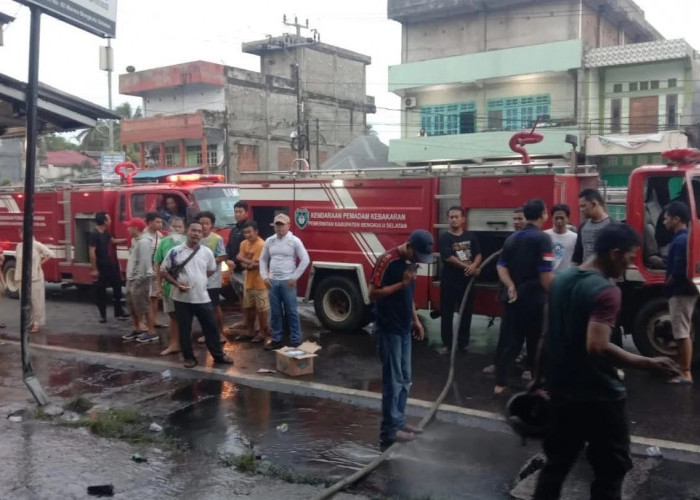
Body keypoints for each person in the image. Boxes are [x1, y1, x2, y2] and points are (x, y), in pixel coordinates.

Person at [533, 223, 680, 500]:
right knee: (610, 473)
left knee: (556, 465)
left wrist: (539, 380)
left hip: (561, 392)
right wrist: (648, 363)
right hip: (599, 397)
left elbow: (544, 336)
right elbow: (597, 346)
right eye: (628, 258)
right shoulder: (606, 291)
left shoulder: (561, 280)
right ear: (614, 253)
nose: (628, 265)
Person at [370, 229, 432, 449]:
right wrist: (402, 284)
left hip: (404, 328)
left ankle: (400, 422)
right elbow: (372, 294)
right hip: (388, 329)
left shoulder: (411, 264)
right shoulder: (387, 260)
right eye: (417, 257)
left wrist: (415, 320)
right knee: (393, 381)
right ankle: (389, 432)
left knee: (405, 379)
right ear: (409, 246)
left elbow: (409, 296)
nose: (418, 262)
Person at [494, 199, 553, 395]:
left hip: (513, 299)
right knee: (537, 343)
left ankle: (500, 384)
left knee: (511, 343)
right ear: (544, 214)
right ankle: (538, 385)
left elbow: (501, 266)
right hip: (535, 301)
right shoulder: (543, 239)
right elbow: (545, 277)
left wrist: (510, 285)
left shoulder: (512, 238)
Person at [160, 221, 234, 368]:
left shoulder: (206, 252)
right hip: (181, 298)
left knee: (211, 328)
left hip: (202, 297)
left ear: (201, 235)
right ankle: (189, 358)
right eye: (193, 230)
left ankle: (218, 356)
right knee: (185, 329)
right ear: (187, 232)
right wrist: (177, 284)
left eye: (199, 232)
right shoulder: (175, 251)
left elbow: (211, 269)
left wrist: (198, 278)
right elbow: (163, 270)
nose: (196, 234)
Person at [260, 213, 310, 350]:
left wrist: (295, 277)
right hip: (273, 281)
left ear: (288, 225)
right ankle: (277, 339)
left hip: (288, 281)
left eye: (282, 225)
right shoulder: (270, 241)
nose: (280, 228)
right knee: (275, 312)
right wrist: (264, 276)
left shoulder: (294, 241)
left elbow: (305, 259)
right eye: (277, 225)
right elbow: (263, 259)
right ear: (274, 226)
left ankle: (295, 339)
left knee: (291, 311)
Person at [438, 206, 482, 354]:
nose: (454, 219)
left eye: (457, 217)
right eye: (451, 217)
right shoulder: (445, 237)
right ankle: (447, 345)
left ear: (463, 219)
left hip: (467, 282)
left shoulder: (471, 235)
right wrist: (469, 268)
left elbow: (478, 254)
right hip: (450, 281)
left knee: (466, 313)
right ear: (447, 219)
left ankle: (463, 344)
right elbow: (449, 258)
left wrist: (474, 265)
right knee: (447, 313)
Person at [663, 201, 697, 384]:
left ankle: (685, 373)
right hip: (686, 291)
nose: (664, 222)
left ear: (676, 219)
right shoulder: (685, 238)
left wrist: (667, 285)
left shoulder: (680, 240)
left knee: (681, 332)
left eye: (667, 218)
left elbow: (677, 271)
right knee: (684, 331)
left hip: (680, 292)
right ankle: (683, 367)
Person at [121, 218, 159, 343]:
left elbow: (144, 263)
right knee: (132, 305)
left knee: (144, 305)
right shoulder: (135, 240)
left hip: (140, 278)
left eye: (129, 227)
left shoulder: (143, 242)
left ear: (136, 228)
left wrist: (138, 280)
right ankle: (137, 328)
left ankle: (151, 332)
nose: (127, 229)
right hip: (132, 277)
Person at [154, 216, 187, 355]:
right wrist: (159, 287)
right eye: (174, 226)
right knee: (173, 316)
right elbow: (157, 264)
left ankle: (186, 345)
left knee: (186, 317)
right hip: (168, 286)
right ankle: (174, 344)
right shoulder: (163, 243)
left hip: (186, 286)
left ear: (184, 228)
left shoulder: (188, 241)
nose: (177, 229)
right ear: (169, 228)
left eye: (180, 226)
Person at [89, 212, 128, 323]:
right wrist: (94, 269)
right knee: (101, 291)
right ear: (104, 221)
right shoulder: (94, 234)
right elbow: (92, 253)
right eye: (109, 218)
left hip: (109, 263)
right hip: (101, 265)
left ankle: (119, 311)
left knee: (117, 286)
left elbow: (113, 241)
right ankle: (103, 315)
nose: (110, 220)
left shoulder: (106, 232)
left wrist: (126, 240)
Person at [197, 211, 228, 344]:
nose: (204, 226)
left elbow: (222, 256)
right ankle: (207, 333)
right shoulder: (195, 238)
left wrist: (207, 263)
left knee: (215, 307)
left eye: (207, 223)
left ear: (211, 225)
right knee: (202, 308)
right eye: (201, 223)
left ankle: (220, 333)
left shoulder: (217, 239)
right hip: (198, 279)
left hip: (212, 280)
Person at [15, 228, 53, 333]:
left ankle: (37, 323)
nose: (21, 235)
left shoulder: (36, 245)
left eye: (22, 233)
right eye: (20, 234)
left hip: (35, 277)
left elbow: (50, 254)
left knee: (36, 301)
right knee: (26, 301)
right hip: (22, 278)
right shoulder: (19, 246)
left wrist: (39, 264)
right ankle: (30, 321)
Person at [237, 221, 269, 343]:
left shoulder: (262, 244)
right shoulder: (243, 244)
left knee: (262, 309)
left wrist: (243, 259)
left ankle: (262, 332)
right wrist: (247, 262)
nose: (247, 235)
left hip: (260, 282)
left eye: (250, 232)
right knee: (249, 307)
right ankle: (250, 331)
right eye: (245, 232)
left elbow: (256, 265)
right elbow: (243, 263)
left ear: (256, 231)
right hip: (248, 281)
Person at [138, 212, 164, 342]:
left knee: (154, 297)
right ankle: (142, 322)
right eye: (157, 222)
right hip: (146, 272)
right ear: (149, 222)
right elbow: (142, 258)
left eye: (160, 222)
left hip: (156, 271)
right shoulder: (144, 237)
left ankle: (153, 320)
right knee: (145, 298)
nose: (160, 224)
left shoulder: (159, 236)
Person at [573, 189, 612, 265]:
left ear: (594, 204)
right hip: (586, 274)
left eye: (583, 206)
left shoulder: (613, 227)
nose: (581, 210)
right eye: (580, 207)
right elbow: (577, 256)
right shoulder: (583, 227)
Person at [544, 204, 577, 274]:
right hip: (549, 277)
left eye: (562, 218)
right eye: (556, 218)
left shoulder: (575, 237)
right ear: (552, 218)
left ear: (567, 219)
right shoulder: (545, 236)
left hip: (567, 277)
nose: (559, 221)